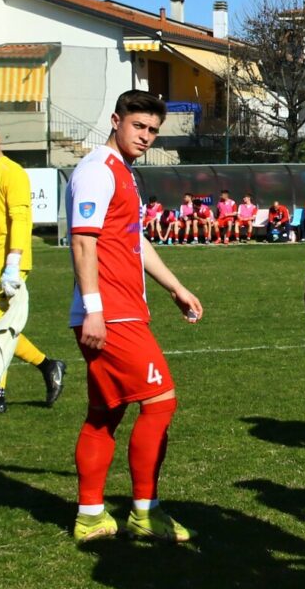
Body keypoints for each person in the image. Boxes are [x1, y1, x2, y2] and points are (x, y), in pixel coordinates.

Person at [66, 90, 203, 544]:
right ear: (116, 120)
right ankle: (145, 511)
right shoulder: (96, 172)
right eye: (138, 126)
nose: (145, 136)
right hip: (111, 313)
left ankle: (90, 515)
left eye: (152, 130)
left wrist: (176, 288)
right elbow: (83, 243)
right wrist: (93, 311)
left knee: (105, 413)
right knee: (161, 400)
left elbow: (134, 242)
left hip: (122, 310)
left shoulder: (123, 173)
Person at [0, 118, 66, 414]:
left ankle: (45, 367)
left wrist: (12, 264)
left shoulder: (11, 173)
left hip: (5, 266)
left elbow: (21, 219)